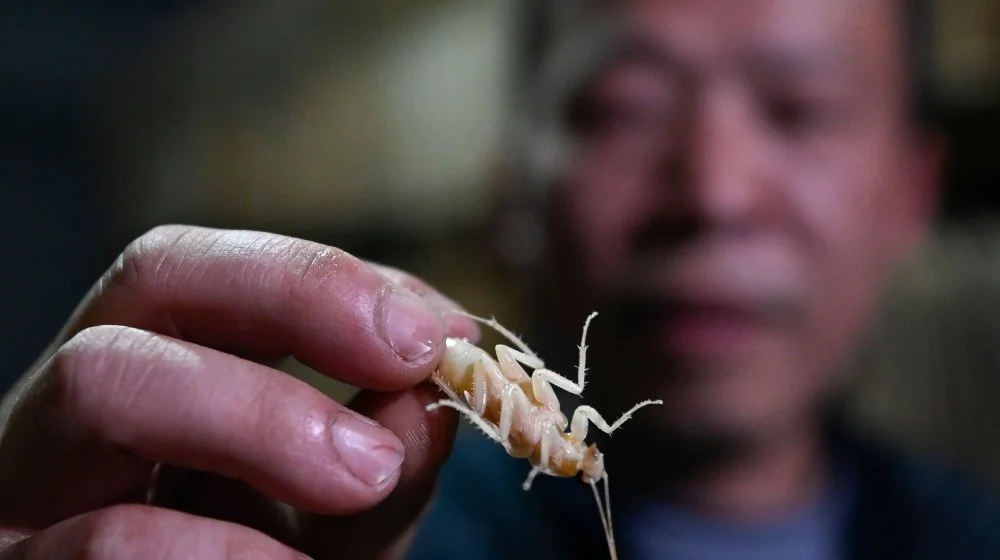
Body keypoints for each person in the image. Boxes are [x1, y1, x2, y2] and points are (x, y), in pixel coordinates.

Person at [0, 0, 997, 559]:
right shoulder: (388, 531)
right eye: (620, 106)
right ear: (508, 197)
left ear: (911, 195)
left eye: (798, 106)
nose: (714, 188)